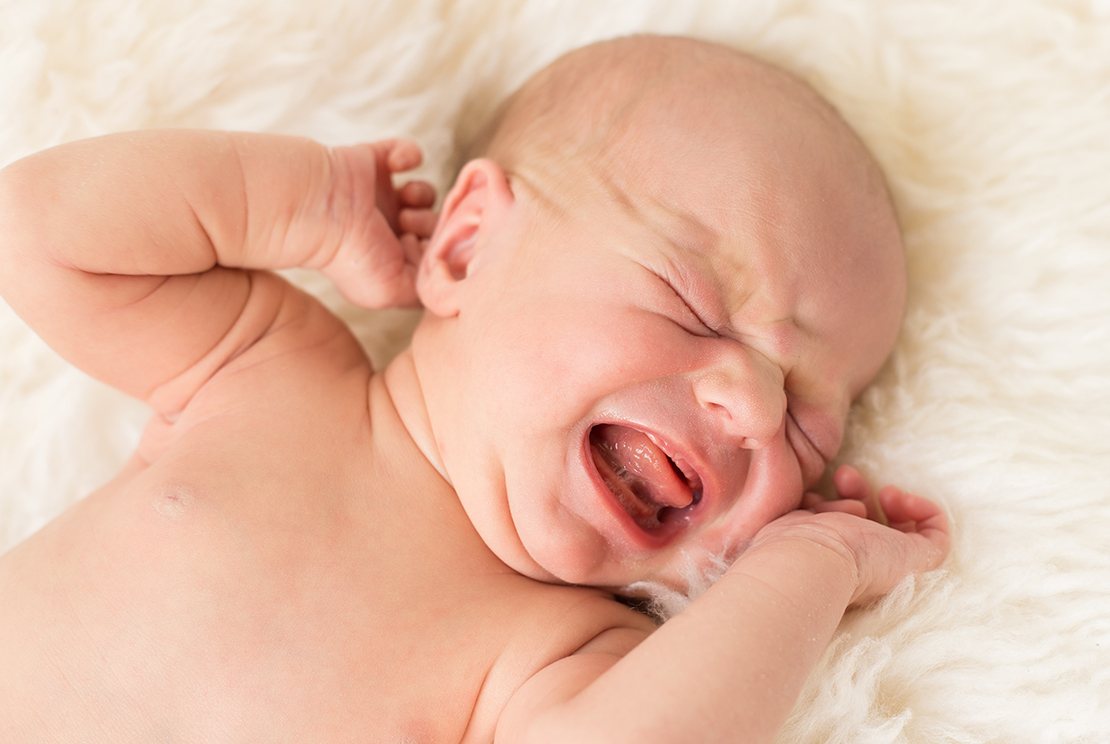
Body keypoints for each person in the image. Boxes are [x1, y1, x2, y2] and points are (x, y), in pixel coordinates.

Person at [0, 34, 948, 743]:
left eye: (809, 431)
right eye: (695, 307)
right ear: (465, 246)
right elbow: (41, 233)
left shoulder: (560, 656)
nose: (753, 408)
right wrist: (311, 206)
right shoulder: (269, 369)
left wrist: (814, 565)